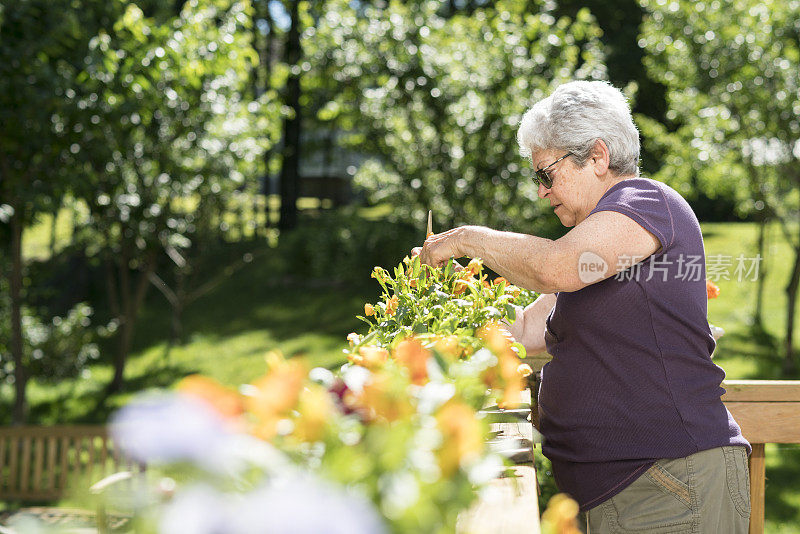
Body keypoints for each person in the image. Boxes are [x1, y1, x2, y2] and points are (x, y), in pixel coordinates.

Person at [413, 80, 751, 533]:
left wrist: (463, 240)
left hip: (669, 484)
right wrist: (447, 306)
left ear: (597, 156)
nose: (541, 191)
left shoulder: (645, 203)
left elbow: (555, 266)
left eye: (545, 174)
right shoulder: (601, 240)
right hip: (628, 489)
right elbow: (526, 330)